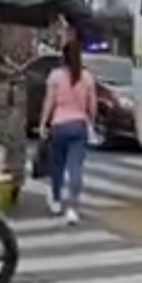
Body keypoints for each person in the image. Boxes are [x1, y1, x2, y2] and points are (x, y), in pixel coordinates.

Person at [38, 38, 97, 226]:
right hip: (79, 125)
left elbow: (49, 102)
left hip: (59, 125)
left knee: (57, 166)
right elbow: (93, 105)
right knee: (75, 168)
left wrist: (42, 124)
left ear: (63, 56)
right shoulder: (87, 78)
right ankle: (73, 208)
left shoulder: (55, 76)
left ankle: (56, 200)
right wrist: (91, 122)